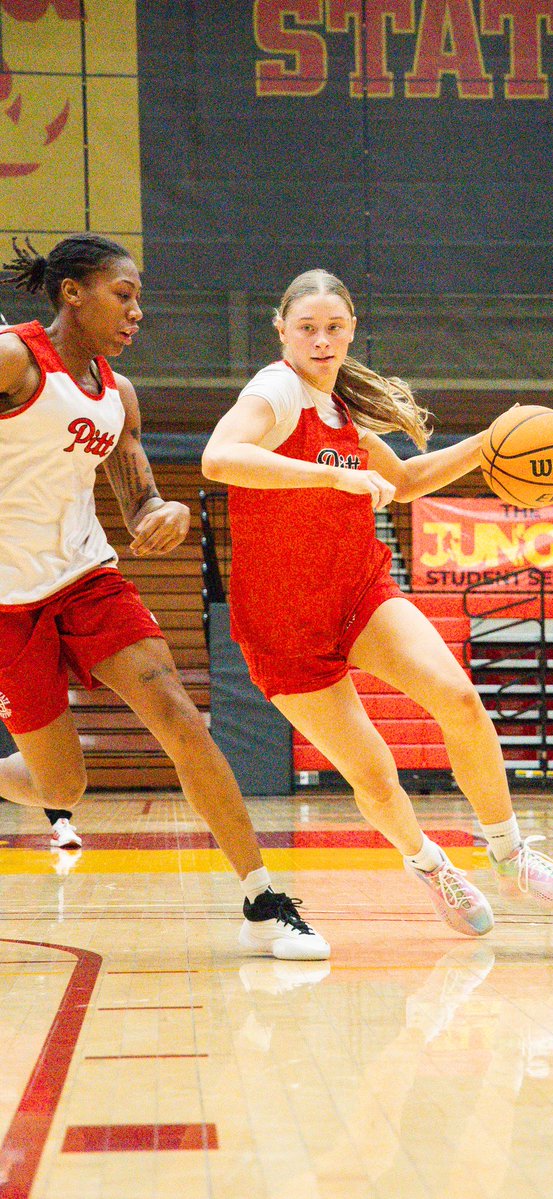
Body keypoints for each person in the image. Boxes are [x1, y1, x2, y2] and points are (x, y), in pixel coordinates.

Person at [202, 268, 553, 936]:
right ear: (281, 331)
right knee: (375, 775)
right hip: (282, 623)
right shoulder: (274, 393)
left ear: (352, 327)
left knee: (460, 699)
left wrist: (491, 443)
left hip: (358, 591)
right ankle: (429, 861)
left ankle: (511, 852)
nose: (322, 341)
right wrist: (328, 475)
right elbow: (217, 456)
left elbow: (404, 480)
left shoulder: (339, 408)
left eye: (335, 327)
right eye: (307, 328)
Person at [0, 235, 328, 960]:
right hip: (7, 603)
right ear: (72, 293)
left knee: (177, 710)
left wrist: (164, 515)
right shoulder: (15, 358)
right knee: (63, 783)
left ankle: (263, 896)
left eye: (138, 297)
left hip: (87, 577)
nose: (136, 311)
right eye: (123, 294)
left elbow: (140, 501)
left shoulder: (117, 396)